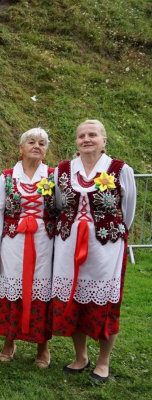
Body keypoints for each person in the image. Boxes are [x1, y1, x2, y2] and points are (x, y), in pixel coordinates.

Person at [52, 119, 136, 383]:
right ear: (76, 141)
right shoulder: (63, 170)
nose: (87, 139)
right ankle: (80, 356)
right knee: (75, 299)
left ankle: (103, 361)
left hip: (105, 247)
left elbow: (129, 211)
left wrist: (111, 234)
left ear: (104, 140)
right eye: (81, 136)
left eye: (93, 135)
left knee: (106, 303)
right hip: (68, 246)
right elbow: (58, 203)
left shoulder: (120, 170)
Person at [0, 128, 56, 368]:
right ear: (20, 148)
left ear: (46, 150)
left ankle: (42, 346)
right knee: (12, 287)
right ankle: (9, 340)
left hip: (44, 244)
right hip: (13, 243)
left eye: (42, 143)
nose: (37, 145)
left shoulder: (54, 177)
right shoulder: (6, 177)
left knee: (41, 291)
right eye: (31, 142)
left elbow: (62, 209)